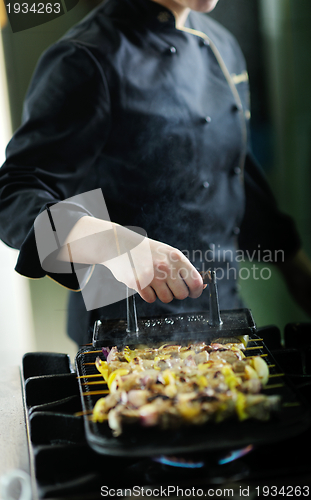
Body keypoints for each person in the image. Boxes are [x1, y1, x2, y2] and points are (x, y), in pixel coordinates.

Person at [0, 0, 311, 346]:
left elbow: (232, 172)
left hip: (224, 318)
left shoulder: (222, 45)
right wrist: (115, 245)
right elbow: (14, 196)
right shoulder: (84, 57)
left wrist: (297, 269)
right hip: (125, 335)